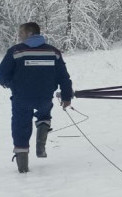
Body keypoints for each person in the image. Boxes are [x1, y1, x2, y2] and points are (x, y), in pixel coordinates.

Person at [0, 22, 74, 173]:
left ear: (30, 34)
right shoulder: (53, 52)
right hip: (45, 97)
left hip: (22, 97)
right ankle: (40, 145)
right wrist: (66, 96)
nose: (19, 35)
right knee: (44, 115)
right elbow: (63, 77)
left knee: (20, 126)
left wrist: (11, 84)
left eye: (21, 33)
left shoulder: (16, 51)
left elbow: (2, 75)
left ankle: (22, 166)